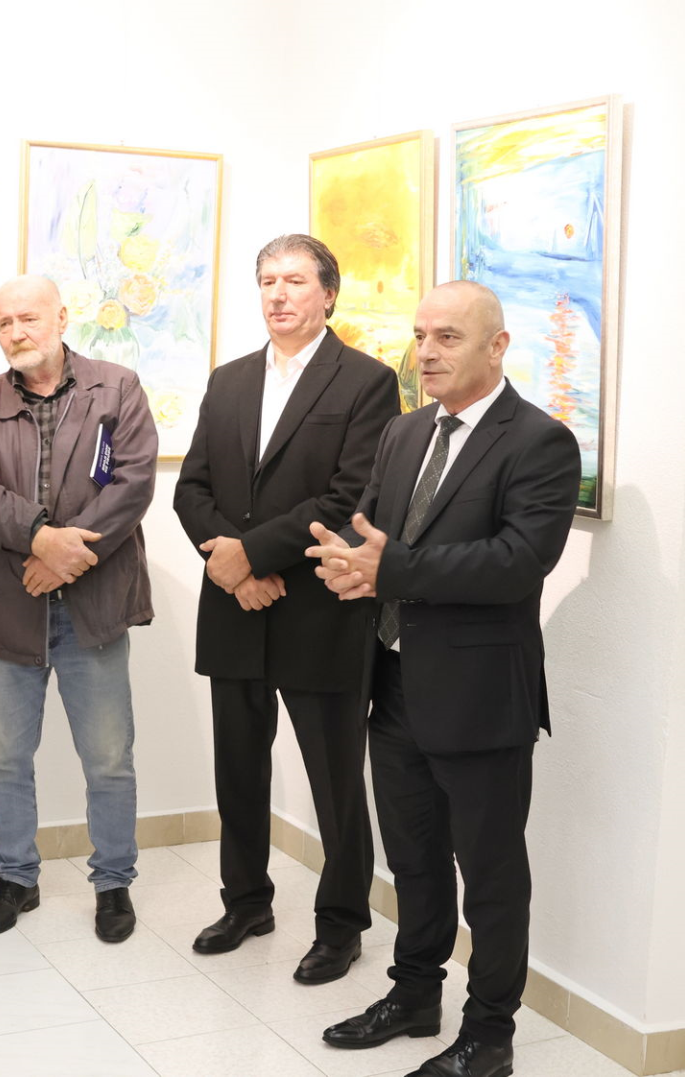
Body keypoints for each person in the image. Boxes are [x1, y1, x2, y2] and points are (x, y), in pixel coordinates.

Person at [308, 281, 579, 1077]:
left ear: (497, 346)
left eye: (448, 337)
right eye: (420, 335)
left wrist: (390, 568)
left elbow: (518, 560)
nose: (426, 352)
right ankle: (414, 994)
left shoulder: (541, 442)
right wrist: (346, 559)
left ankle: (489, 1034)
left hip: (480, 698)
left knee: (490, 876)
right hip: (394, 682)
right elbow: (371, 528)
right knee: (414, 858)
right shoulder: (404, 432)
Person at [174, 234, 398, 983]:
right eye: (267, 279)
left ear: (328, 294)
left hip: (320, 610)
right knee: (238, 772)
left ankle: (342, 925)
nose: (278, 293)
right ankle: (245, 902)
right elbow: (192, 488)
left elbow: (350, 497)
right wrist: (233, 569)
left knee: (336, 783)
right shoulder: (229, 380)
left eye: (295, 280)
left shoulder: (366, 381)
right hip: (235, 607)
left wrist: (251, 555)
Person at [0, 275, 156, 943]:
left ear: (62, 317)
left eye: (29, 318)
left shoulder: (117, 389)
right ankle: (16, 877)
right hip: (13, 603)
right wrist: (41, 538)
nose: (16, 332)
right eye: (5, 323)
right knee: (5, 756)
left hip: (95, 607)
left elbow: (132, 483)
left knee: (109, 757)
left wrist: (67, 555)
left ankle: (113, 883)